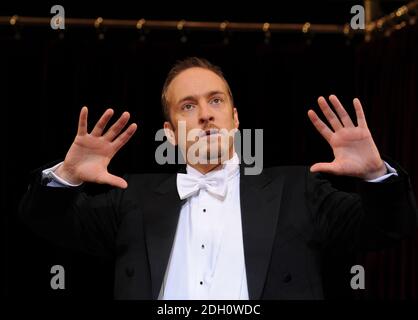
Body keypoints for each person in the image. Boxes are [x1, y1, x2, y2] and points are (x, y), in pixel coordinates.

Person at [19, 57, 417, 300]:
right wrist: (67, 176)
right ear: (171, 133)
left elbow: (390, 229)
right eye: (188, 106)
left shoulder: (298, 191)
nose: (206, 114)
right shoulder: (130, 199)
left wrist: (376, 176)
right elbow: (44, 222)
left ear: (235, 118)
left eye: (215, 100)